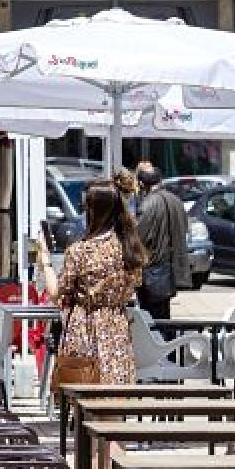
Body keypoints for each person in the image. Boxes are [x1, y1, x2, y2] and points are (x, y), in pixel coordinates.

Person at [36, 171, 146, 385]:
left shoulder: (80, 251)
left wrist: (45, 262)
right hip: (116, 329)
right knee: (115, 397)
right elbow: (134, 285)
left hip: (85, 328)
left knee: (84, 396)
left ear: (93, 211)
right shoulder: (128, 249)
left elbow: (57, 292)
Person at [134, 165, 191, 321]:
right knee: (164, 318)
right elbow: (185, 230)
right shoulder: (176, 201)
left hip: (153, 273)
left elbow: (137, 239)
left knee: (153, 323)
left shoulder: (147, 205)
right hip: (172, 270)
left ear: (141, 183)